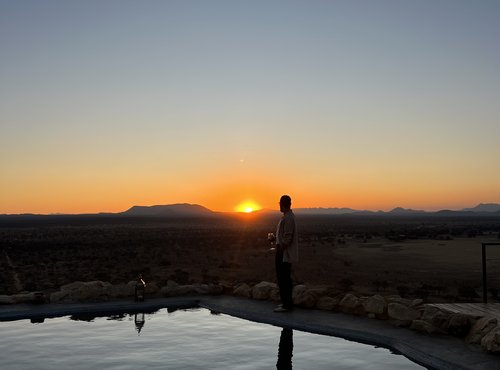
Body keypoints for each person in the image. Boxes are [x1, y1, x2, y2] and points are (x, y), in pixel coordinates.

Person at [269, 195, 298, 312]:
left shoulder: (289, 218)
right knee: (283, 278)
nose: (279, 206)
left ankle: (287, 305)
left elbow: (288, 237)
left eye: (279, 203)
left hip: (284, 253)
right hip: (282, 251)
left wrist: (280, 248)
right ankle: (285, 303)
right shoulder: (286, 217)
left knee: (284, 278)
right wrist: (275, 239)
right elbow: (284, 236)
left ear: (282, 204)